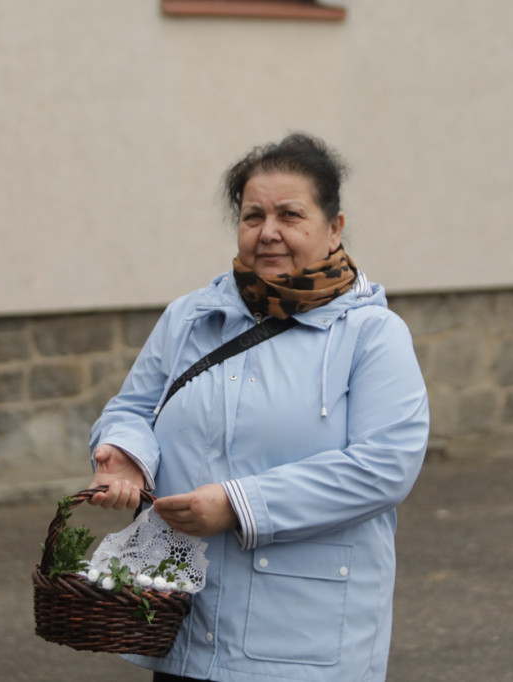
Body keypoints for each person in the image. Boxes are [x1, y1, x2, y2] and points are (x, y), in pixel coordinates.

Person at [87, 132, 429, 682]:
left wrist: (238, 505)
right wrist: (126, 453)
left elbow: (384, 467)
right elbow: (132, 408)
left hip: (304, 644)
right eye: (253, 216)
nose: (268, 232)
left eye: (290, 215)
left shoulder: (372, 335)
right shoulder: (190, 318)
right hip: (182, 628)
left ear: (335, 226)